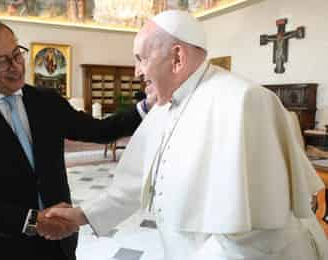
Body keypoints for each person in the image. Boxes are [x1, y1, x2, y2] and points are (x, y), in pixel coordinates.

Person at [43, 10, 328, 260]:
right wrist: (83, 216)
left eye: (141, 59)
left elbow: (260, 231)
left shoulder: (243, 101)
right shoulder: (165, 104)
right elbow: (134, 183)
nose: (137, 72)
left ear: (177, 57)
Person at [0, 18, 154, 260]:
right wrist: (34, 222)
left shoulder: (46, 101)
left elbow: (99, 131)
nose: (16, 66)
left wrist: (146, 106)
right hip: (0, 248)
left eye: (17, 54)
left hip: (58, 244)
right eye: (1, 62)